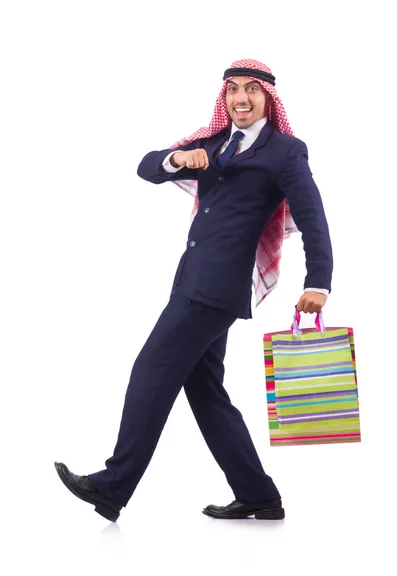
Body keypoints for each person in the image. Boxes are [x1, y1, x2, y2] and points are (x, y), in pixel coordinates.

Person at [55, 58, 333, 523]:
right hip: (192, 278)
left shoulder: (286, 151)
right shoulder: (213, 141)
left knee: (150, 370)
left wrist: (319, 282)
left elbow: (312, 218)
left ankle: (112, 485)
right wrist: (177, 158)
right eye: (232, 91)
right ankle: (257, 493)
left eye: (252, 90)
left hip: (215, 287)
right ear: (223, 98)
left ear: (268, 97)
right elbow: (147, 167)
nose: (241, 98)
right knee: (205, 390)